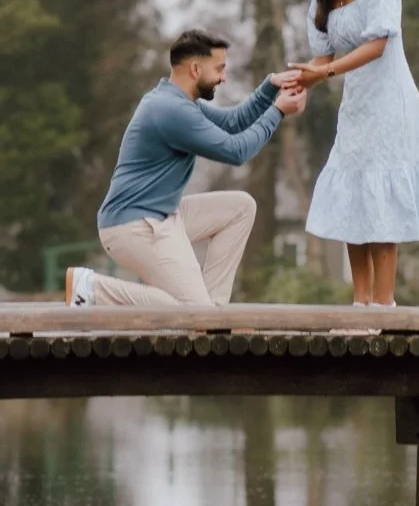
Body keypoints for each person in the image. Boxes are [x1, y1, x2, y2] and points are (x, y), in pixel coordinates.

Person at [287, 0, 419, 305]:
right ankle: (360, 303)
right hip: (356, 106)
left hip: (390, 105)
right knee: (354, 197)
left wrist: (326, 71)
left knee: (381, 201)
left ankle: (384, 305)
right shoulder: (323, 0)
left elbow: (378, 44)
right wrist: (297, 83)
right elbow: (321, 59)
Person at [68, 29, 307, 307]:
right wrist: (277, 111)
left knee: (241, 207)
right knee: (189, 311)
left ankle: (214, 312)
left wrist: (270, 87)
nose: (224, 77)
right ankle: (93, 289)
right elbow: (236, 151)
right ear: (195, 69)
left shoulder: (178, 102)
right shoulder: (172, 111)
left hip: (160, 217)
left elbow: (233, 123)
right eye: (219, 69)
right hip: (133, 226)